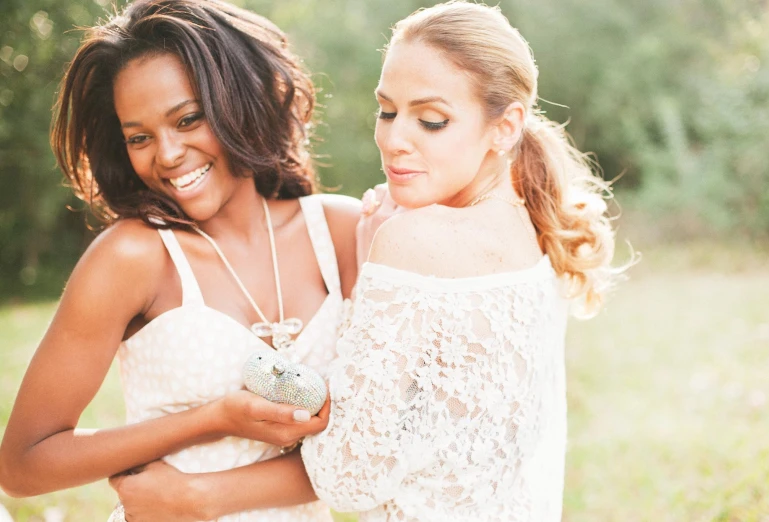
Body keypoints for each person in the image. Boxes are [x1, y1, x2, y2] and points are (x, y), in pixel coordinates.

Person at [97, 1, 629, 521]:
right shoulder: (536, 229)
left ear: (505, 125)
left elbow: (348, 478)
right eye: (387, 110)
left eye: (432, 121)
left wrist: (365, 282)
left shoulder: (407, 241)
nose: (396, 140)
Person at [0, 1, 363, 520]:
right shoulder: (133, 257)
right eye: (139, 138)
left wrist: (199, 495)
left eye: (188, 119)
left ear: (241, 100)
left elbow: (383, 448)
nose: (167, 154)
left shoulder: (342, 232)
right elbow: (22, 465)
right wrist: (212, 419)